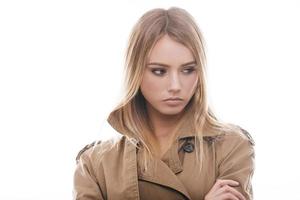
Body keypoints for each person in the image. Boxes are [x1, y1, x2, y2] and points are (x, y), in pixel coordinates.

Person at [73, 7, 255, 200]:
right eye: (159, 71)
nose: (175, 86)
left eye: (188, 70)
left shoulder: (231, 147)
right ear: (136, 72)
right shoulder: (95, 163)